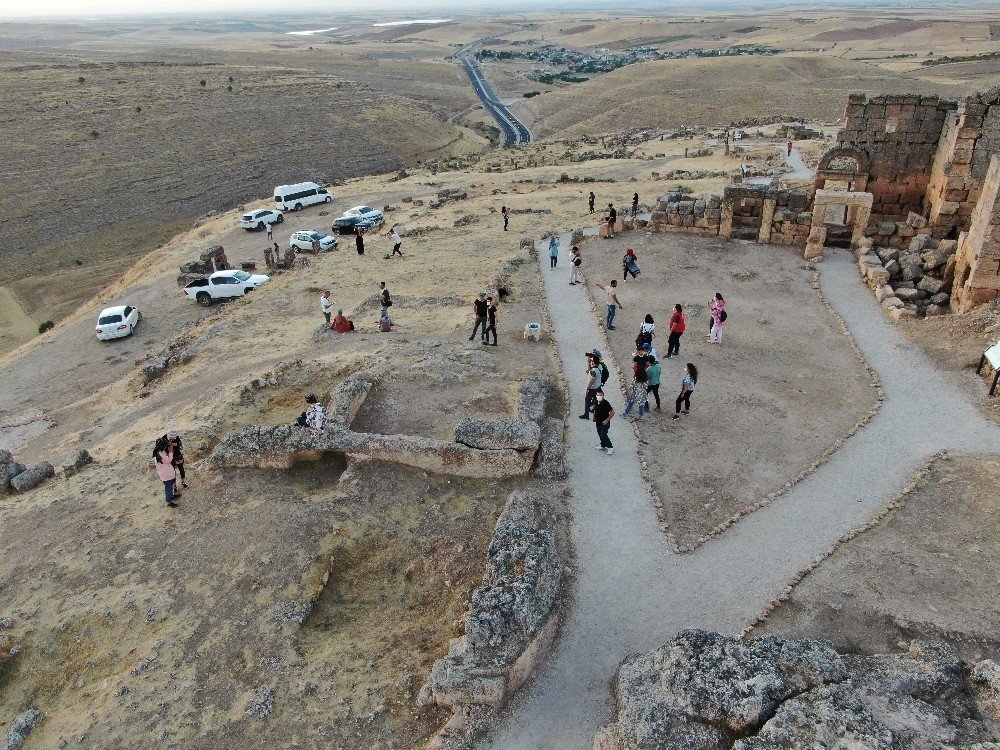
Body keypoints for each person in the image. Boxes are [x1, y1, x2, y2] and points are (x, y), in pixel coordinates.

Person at [624, 344, 650, 418]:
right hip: (642, 391)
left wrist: (636, 372)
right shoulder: (646, 357)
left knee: (632, 401)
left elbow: (634, 366)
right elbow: (647, 365)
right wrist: (643, 369)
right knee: (641, 403)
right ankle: (641, 416)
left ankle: (626, 413)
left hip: (637, 387)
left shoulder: (636, 358)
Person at [153, 436, 179, 507]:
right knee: (168, 488)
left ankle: (172, 495)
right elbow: (169, 459)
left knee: (170, 486)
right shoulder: (161, 456)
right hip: (166, 475)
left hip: (166, 473)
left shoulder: (159, 452)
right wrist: (171, 450)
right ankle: (169, 501)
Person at [592, 388, 615, 456]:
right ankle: (603, 445)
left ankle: (610, 447)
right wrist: (594, 417)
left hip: (605, 423)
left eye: (600, 395)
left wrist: (607, 420)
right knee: (599, 433)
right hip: (598, 421)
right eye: (598, 395)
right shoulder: (596, 401)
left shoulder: (606, 403)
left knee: (604, 434)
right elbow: (595, 410)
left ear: (603, 395)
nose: (599, 396)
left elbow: (612, 412)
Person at [579, 355, 601, 420]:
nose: (590, 361)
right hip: (598, 387)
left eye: (591, 361)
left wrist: (588, 388)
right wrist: (589, 362)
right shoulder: (598, 368)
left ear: (593, 362)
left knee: (587, 400)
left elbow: (592, 380)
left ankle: (586, 415)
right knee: (596, 401)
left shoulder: (593, 371)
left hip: (593, 389)